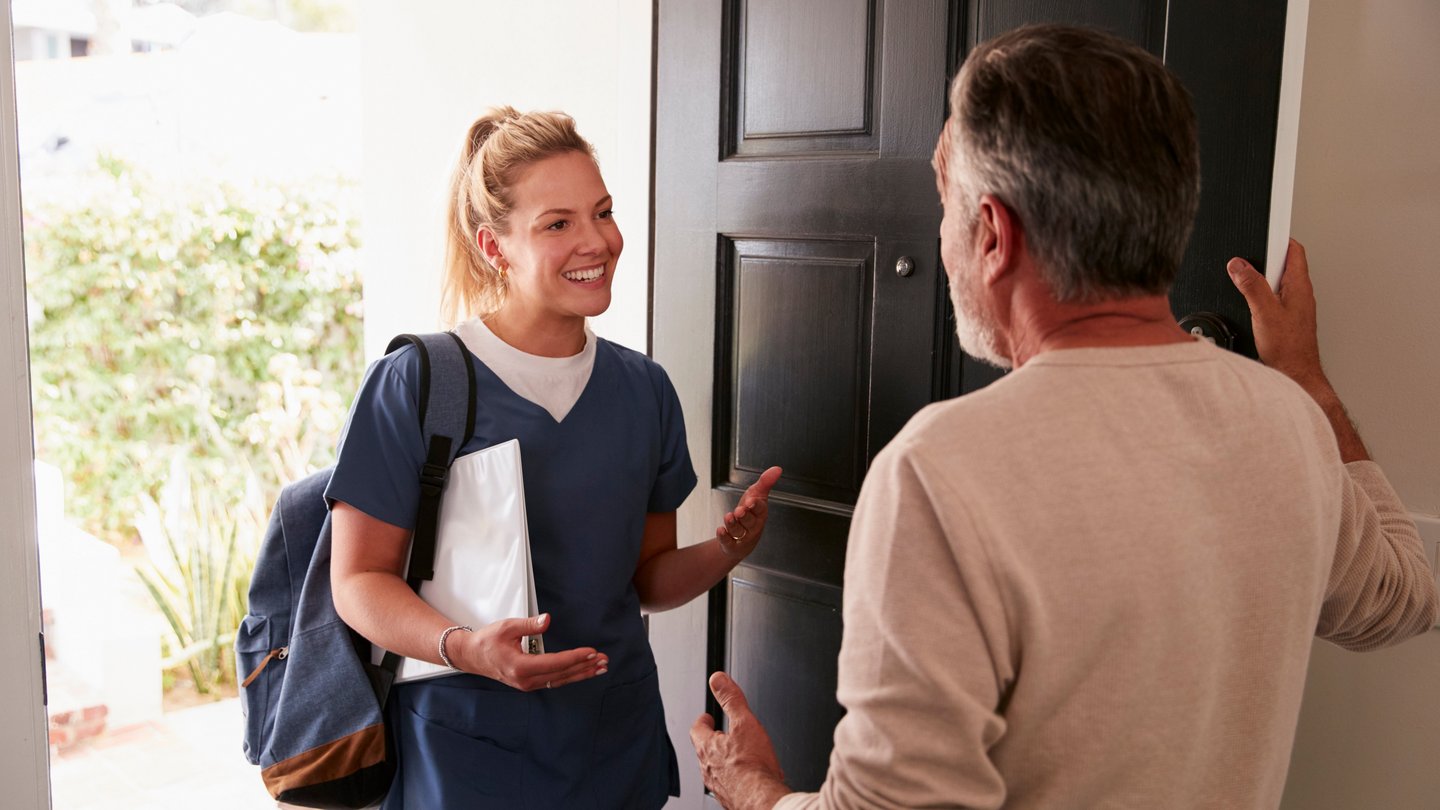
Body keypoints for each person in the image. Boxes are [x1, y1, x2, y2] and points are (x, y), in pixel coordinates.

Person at [690, 24, 1438, 810]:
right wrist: (1309, 381)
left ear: (994, 235)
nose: (940, 240)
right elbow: (1405, 597)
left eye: (946, 209)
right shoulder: (1288, 423)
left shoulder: (941, 473)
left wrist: (755, 789)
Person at [327, 106, 782, 809]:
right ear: (494, 246)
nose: (598, 240)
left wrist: (726, 550)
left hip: (612, 748)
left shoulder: (644, 390)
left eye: (602, 212)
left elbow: (647, 581)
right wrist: (465, 646)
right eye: (558, 223)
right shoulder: (418, 383)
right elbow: (358, 581)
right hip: (466, 756)